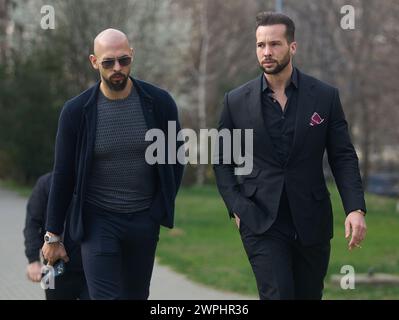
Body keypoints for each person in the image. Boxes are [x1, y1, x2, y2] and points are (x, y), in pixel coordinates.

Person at [213, 12, 367, 300]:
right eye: (260, 45)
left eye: (275, 44)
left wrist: (355, 208)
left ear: (292, 47)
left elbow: (343, 156)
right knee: (278, 294)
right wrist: (237, 207)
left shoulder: (324, 96)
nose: (267, 52)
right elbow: (222, 161)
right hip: (260, 219)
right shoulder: (235, 101)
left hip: (312, 219)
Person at [41, 29, 184, 299]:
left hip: (144, 220)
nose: (117, 68)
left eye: (123, 60)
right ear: (94, 62)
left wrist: (158, 208)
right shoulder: (76, 112)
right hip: (98, 220)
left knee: (136, 295)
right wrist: (53, 235)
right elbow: (63, 175)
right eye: (108, 62)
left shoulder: (159, 104)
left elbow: (174, 161)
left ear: (132, 56)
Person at [23, 172, 87, 300]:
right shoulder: (45, 183)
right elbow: (32, 224)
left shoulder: (93, 183)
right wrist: (33, 260)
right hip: (53, 266)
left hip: (91, 266)